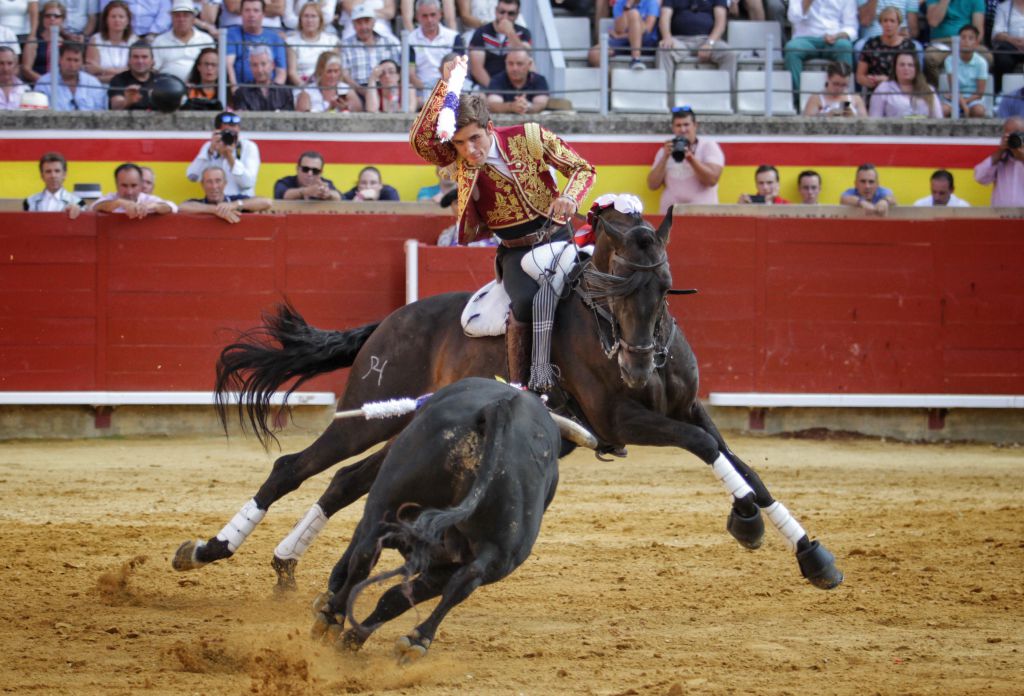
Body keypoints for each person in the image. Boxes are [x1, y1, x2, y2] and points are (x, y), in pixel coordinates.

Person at [410, 54, 596, 387]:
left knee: (605, 286)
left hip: (560, 235)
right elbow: (421, 140)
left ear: (490, 128)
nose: (469, 150)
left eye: (475, 139)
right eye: (459, 143)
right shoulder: (459, 160)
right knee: (523, 303)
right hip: (516, 252)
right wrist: (447, 86)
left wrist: (570, 197)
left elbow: (582, 169)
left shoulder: (529, 135)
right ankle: (525, 385)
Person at [646, 105, 724, 212]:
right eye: (678, 125)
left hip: (702, 215)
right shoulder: (665, 150)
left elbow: (712, 180)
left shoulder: (708, 146)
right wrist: (665, 157)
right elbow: (652, 185)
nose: (683, 129)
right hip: (671, 216)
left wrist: (690, 158)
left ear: (695, 125)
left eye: (686, 124)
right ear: (673, 128)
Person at [656, 0, 738, 92]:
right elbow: (664, 18)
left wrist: (709, 43)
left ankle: (724, 97)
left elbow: (721, 23)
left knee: (730, 54)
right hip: (679, 40)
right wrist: (667, 37)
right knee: (664, 49)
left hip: (707, 39)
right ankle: (663, 96)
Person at [785, 0, 857, 92]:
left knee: (845, 46)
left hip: (834, 38)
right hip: (805, 38)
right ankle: (797, 98)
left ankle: (844, 98)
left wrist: (838, 36)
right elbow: (793, 18)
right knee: (792, 48)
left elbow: (851, 26)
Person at [186, 111, 261, 196]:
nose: (231, 137)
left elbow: (248, 184)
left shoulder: (248, 147)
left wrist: (229, 156)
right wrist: (210, 151)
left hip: (241, 202)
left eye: (234, 134)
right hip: (216, 203)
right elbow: (192, 176)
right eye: (227, 133)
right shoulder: (210, 147)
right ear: (217, 132)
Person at [340, 3, 400, 108]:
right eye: (359, 23)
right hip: (358, 91)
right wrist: (362, 90)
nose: (363, 27)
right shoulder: (346, 45)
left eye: (367, 21)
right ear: (353, 25)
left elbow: (397, 70)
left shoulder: (389, 42)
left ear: (373, 22)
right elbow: (345, 75)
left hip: (385, 90)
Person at [408, 0, 463, 103]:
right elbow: (411, 74)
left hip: (450, 86)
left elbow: (459, 69)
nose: (429, 20)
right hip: (421, 90)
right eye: (424, 16)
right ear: (417, 17)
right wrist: (428, 91)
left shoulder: (453, 37)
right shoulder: (410, 40)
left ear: (440, 14)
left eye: (433, 15)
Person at [855, 5, 918, 94]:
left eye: (892, 21)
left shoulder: (908, 46)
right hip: (876, 91)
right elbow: (860, 76)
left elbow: (914, 77)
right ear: (880, 23)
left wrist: (887, 81)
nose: (888, 24)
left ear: (899, 24)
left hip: (901, 92)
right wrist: (871, 81)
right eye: (885, 21)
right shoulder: (871, 44)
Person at [467, 0, 529, 88]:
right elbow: (477, 70)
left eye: (510, 13)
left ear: (517, 14)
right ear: (496, 11)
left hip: (515, 86)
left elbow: (524, 58)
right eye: (502, 12)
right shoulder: (481, 32)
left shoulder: (523, 32)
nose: (505, 17)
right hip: (486, 86)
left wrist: (510, 33)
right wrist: (495, 89)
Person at [923, 0, 986, 86]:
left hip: (966, 41)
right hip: (941, 42)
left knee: (988, 57)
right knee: (930, 57)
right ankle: (939, 93)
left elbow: (978, 31)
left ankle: (967, 89)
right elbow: (933, 22)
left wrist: (967, 44)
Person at [226, 0, 287, 88]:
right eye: (247, 10)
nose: (251, 15)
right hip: (242, 92)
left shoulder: (275, 38)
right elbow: (228, 65)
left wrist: (273, 94)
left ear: (263, 14)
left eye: (256, 11)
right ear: (241, 13)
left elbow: (281, 72)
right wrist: (235, 90)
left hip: (269, 92)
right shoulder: (232, 34)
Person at [180, 165, 272, 222]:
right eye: (209, 182)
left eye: (218, 181)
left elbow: (266, 202)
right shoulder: (196, 203)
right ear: (202, 185)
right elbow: (182, 207)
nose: (214, 186)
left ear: (225, 183)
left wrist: (234, 205)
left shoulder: (235, 201)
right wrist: (216, 210)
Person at [152, 0, 215, 82]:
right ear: (172, 18)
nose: (181, 19)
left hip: (199, 89)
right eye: (177, 16)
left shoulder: (206, 39)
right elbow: (154, 69)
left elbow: (214, 67)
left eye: (186, 15)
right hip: (168, 89)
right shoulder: (159, 41)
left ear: (193, 19)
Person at [868, 50, 944, 117]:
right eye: (902, 65)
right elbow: (874, 119)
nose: (906, 68)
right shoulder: (883, 89)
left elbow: (938, 119)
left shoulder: (929, 90)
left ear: (916, 68)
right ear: (895, 68)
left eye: (910, 65)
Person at [589, 0, 660, 71]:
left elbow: (648, 29)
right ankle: (613, 79)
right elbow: (620, 29)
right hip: (624, 42)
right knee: (594, 53)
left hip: (645, 42)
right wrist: (627, 6)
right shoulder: (620, 3)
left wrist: (620, 36)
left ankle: (636, 59)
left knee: (634, 14)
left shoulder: (651, 2)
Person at [36, 41, 107, 110]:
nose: (72, 65)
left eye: (76, 60)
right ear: (60, 59)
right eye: (68, 60)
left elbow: (101, 112)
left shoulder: (93, 84)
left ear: (82, 62)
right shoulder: (44, 83)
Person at [91, 161, 177, 217]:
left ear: (140, 185)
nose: (129, 192)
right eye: (124, 186)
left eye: (134, 185)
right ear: (116, 185)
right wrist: (119, 202)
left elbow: (172, 207)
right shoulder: (110, 198)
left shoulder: (148, 199)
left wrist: (153, 206)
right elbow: (94, 206)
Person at [973, 115, 1024, 206]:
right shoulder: (1000, 158)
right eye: (1009, 135)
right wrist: (1000, 150)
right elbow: (980, 177)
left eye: (1017, 135)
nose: (1014, 139)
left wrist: (1021, 156)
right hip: (1001, 217)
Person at [285, 1, 338, 87]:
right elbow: (292, 72)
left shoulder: (331, 41)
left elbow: (336, 69)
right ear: (300, 19)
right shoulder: (292, 42)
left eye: (313, 16)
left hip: (327, 86)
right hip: (302, 86)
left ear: (320, 20)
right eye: (306, 16)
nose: (309, 20)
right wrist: (306, 87)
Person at [940, 24, 988, 117]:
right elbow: (954, 88)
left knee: (978, 111)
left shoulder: (982, 62)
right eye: (963, 37)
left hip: (973, 99)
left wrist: (965, 103)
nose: (966, 41)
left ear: (976, 43)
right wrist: (964, 106)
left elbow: (980, 93)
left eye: (970, 38)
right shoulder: (950, 60)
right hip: (954, 96)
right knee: (943, 110)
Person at [85, 0, 137, 83]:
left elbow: (135, 73)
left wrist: (101, 69)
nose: (117, 20)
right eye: (113, 16)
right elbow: (93, 75)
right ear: (106, 20)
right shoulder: (95, 40)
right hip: (100, 88)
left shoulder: (134, 41)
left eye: (121, 17)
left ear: (127, 21)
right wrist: (124, 74)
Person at [484, 47, 548, 114]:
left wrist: (527, 107)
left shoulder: (539, 80)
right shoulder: (497, 80)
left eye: (519, 64)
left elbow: (541, 104)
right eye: (510, 63)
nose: (515, 68)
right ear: (505, 64)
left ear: (529, 64)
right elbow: (494, 105)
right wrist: (512, 107)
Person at [23, 151, 84, 218]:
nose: (53, 176)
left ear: (64, 174)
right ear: (42, 176)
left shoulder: (78, 202)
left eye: (57, 171)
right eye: (48, 171)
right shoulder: (29, 202)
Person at [232, 44, 295, 109]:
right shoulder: (242, 93)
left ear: (272, 65)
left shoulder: (285, 92)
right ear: (250, 67)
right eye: (254, 65)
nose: (259, 70)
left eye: (263, 64)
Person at [20, 0, 65, 84]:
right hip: (38, 85)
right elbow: (26, 69)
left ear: (62, 19)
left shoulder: (67, 43)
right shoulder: (34, 41)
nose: (52, 19)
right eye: (48, 16)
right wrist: (45, 82)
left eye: (56, 16)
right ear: (42, 18)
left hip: (61, 86)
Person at [108, 40, 157, 110]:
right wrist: (127, 101)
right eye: (135, 57)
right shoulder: (118, 80)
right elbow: (115, 106)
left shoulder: (161, 80)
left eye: (144, 57)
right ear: (129, 61)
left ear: (152, 61)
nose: (140, 61)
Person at [273, 150, 342, 200]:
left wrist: (328, 194)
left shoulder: (324, 183)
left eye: (315, 171)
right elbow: (283, 195)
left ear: (321, 173)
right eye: (305, 169)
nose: (310, 174)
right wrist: (306, 191)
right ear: (297, 169)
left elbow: (340, 197)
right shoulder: (285, 182)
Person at [991, 0, 1024, 93]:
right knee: (1002, 58)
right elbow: (997, 33)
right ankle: (999, 93)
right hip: (1011, 46)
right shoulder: (1004, 7)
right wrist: (1013, 41)